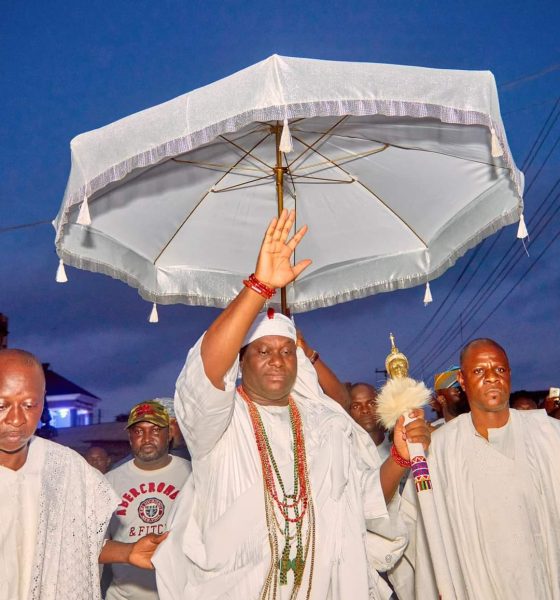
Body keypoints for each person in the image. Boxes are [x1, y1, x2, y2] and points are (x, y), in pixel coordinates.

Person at [153, 209, 431, 600]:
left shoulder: (325, 423)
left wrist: (399, 459)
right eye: (262, 350)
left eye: (286, 350)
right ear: (241, 361)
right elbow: (205, 374)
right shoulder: (220, 422)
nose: (277, 359)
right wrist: (259, 287)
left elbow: (364, 503)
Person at [400, 338, 560, 599]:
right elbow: (412, 527)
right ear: (462, 381)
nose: (492, 377)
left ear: (509, 374)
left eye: (499, 369)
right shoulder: (439, 450)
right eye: (479, 371)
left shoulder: (549, 436)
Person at [0, 349, 166, 600]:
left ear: (43, 402)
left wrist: (128, 552)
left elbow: (75, 547)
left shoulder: (65, 468)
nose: (16, 419)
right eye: (2, 405)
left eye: (29, 405)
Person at [104, 401, 191, 600]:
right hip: (123, 595)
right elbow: (95, 544)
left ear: (169, 434)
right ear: (130, 438)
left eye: (155, 430)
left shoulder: (193, 474)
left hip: (180, 594)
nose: (147, 438)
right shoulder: (108, 482)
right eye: (138, 431)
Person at [349, 383, 391, 460]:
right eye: (356, 406)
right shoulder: (345, 453)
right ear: (348, 413)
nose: (365, 410)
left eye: (372, 403)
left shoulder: (400, 444)